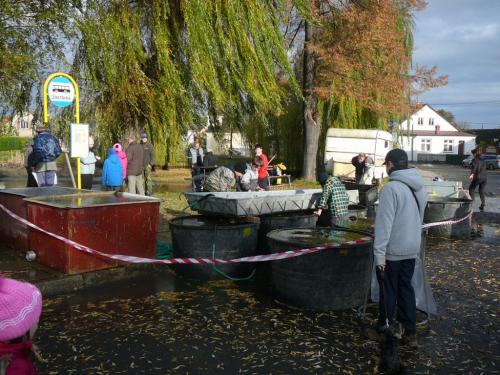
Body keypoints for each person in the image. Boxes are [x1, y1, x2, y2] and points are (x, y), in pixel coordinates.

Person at [373, 148, 427, 348]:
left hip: (394, 249)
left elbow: (384, 225)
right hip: (412, 246)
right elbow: (418, 218)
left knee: (389, 290)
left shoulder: (391, 188)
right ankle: (410, 332)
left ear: (390, 164)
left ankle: (385, 329)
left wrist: (379, 255)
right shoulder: (419, 187)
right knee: (406, 288)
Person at [0, 276, 43, 375]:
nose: (37, 321)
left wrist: (26, 345)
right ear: (22, 331)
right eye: (35, 320)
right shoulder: (19, 369)